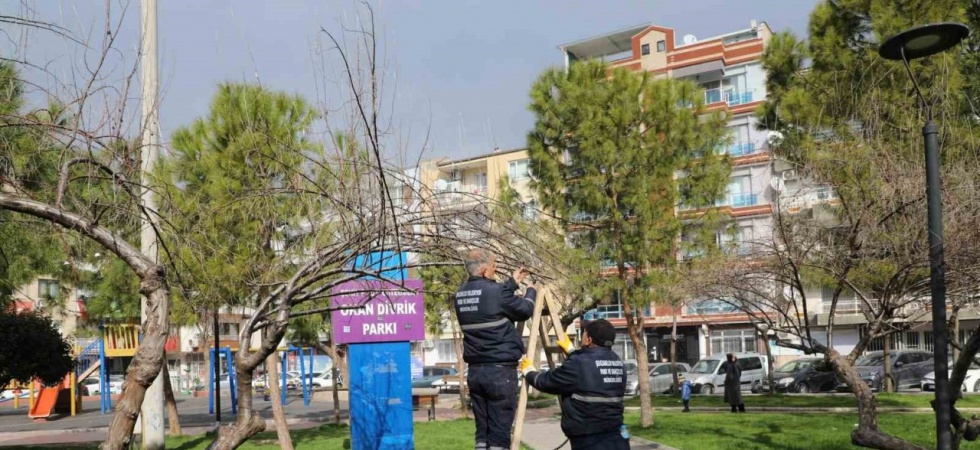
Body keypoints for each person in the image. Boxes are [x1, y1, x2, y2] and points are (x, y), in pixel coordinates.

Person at [454, 249, 537, 450]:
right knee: (500, 435)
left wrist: (512, 282)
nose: (495, 269)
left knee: (482, 434)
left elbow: (487, 298)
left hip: (475, 373)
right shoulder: (497, 292)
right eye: (493, 266)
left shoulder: (459, 295)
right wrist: (531, 291)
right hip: (500, 372)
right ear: (484, 270)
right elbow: (524, 310)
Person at [520, 319, 630, 450]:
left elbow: (549, 382)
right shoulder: (617, 362)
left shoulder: (579, 363)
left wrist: (530, 373)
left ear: (588, 340)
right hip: (616, 435)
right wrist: (572, 351)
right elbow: (591, 366)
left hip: (590, 438)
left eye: (584, 332)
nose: (582, 335)